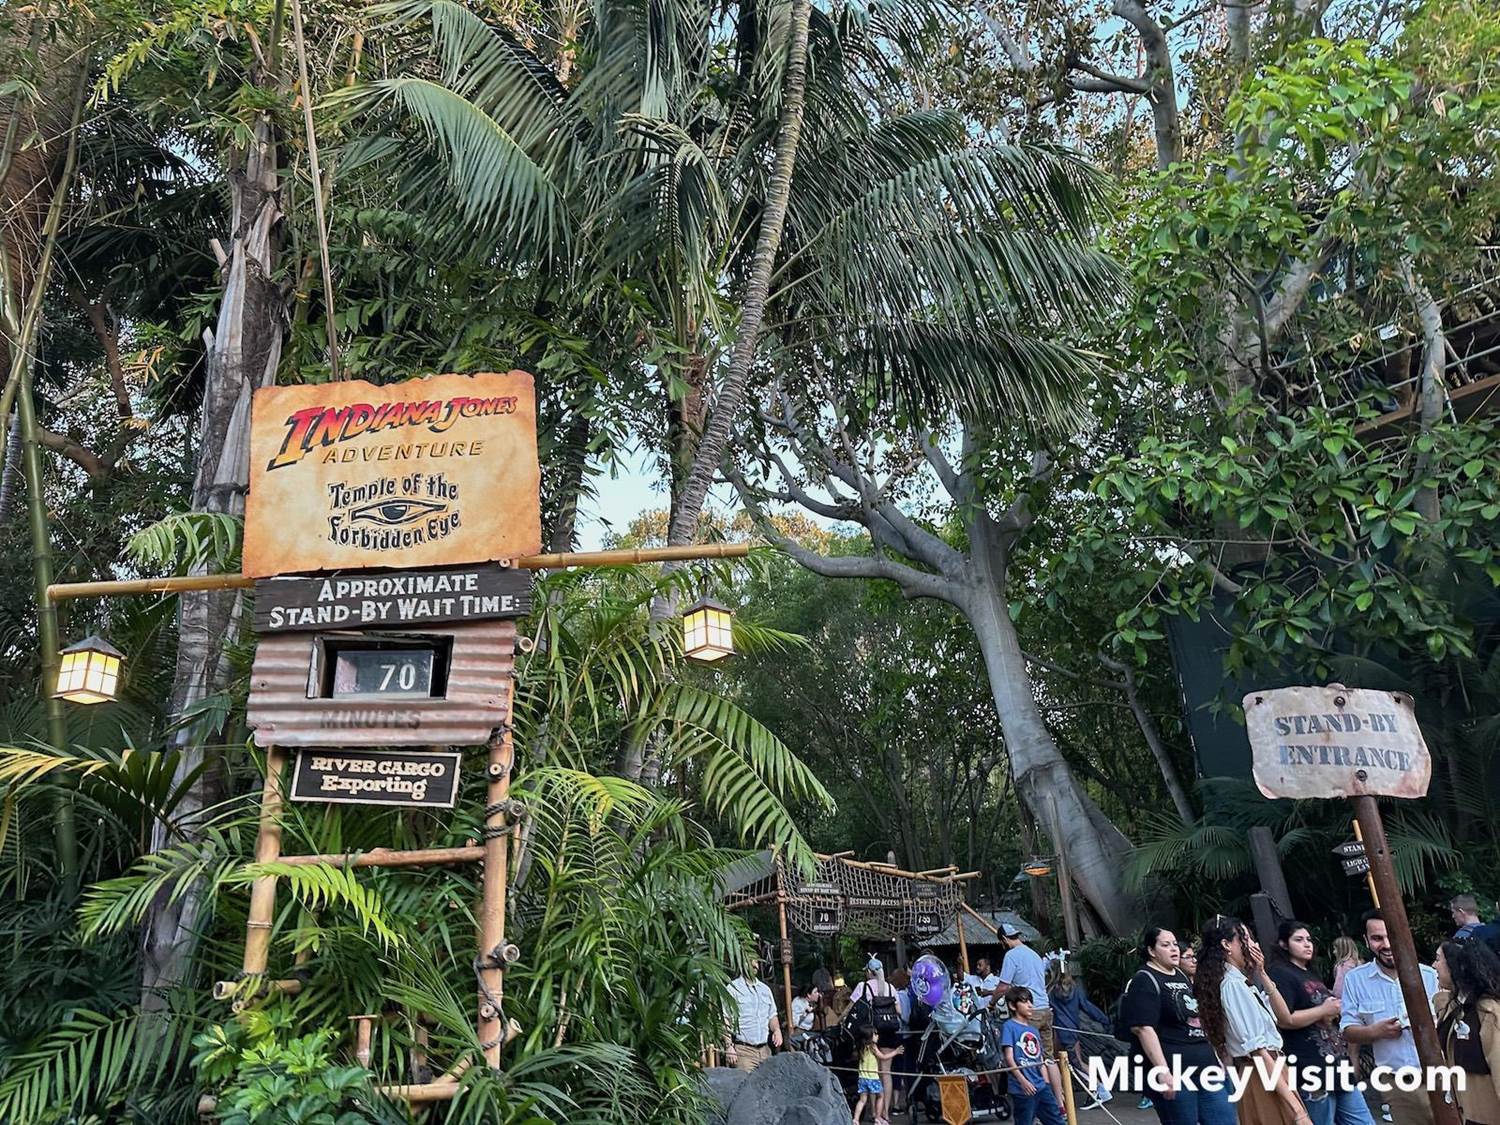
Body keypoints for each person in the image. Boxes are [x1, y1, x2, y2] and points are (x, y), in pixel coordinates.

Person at [1195, 915, 1311, 1125]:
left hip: (1270, 1071)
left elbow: (1282, 1015)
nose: (1253, 945)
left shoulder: (1241, 982)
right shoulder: (1232, 985)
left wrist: (1262, 973)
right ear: (1227, 945)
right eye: (1245, 939)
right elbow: (1258, 1051)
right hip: (1263, 1075)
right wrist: (1297, 1109)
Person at [1120, 926, 1233, 1125]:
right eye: (1165, 945)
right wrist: (1162, 1072)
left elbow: (1197, 1020)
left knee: (1224, 1119)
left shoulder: (1181, 976)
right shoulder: (1145, 979)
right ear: (1151, 950)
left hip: (1206, 1068)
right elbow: (1143, 1029)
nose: (1174, 949)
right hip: (1176, 1071)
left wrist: (1216, 1057)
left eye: (1174, 944)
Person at [1339, 909, 1439, 1125]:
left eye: (1390, 936)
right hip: (1397, 1084)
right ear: (1366, 940)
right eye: (1377, 938)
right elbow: (1347, 1030)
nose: (1386, 944)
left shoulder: (1429, 976)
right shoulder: (1356, 980)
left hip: (1441, 1077)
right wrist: (1375, 1032)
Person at [1268, 921, 1371, 1125]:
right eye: (1299, 940)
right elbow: (1285, 1019)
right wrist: (1323, 1010)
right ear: (1283, 944)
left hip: (1338, 1063)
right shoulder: (1280, 973)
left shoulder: (1310, 972)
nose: (1307, 944)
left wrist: (1332, 1011)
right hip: (1311, 1067)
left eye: (1309, 939)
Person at [1436, 939, 1500, 1125]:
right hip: (1468, 1115)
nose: (1434, 965)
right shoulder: (1457, 1008)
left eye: (1438, 959)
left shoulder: (1489, 1014)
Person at [1003, 986, 1066, 1125]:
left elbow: (1040, 1059)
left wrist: (1046, 1083)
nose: (1030, 1005)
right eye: (1025, 1002)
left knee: (1056, 1120)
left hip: (1041, 1086)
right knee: (1025, 1121)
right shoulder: (1009, 1026)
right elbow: (1009, 1057)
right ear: (1012, 1006)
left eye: (1030, 1001)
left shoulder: (1033, 1030)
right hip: (1022, 1089)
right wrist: (1022, 1081)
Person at [851, 956, 900, 1125]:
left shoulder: (862, 986)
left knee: (872, 1072)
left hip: (871, 1033)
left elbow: (852, 1007)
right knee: (886, 1073)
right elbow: (899, 1011)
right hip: (889, 1033)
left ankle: (874, 1113)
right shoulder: (891, 988)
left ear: (868, 972)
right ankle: (885, 1112)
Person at [1000, 925, 1056, 1056]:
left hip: (1030, 1012)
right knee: (1048, 1056)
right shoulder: (1034, 955)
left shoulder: (1011, 955)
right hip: (1045, 1010)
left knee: (1027, 1055)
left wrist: (991, 1003)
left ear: (1004, 939)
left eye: (1001, 943)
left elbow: (1003, 986)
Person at [1048, 961, 1108, 1074]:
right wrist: (1103, 1019)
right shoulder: (1075, 989)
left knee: (1074, 1064)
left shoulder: (1050, 992)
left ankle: (1098, 1084)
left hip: (1060, 1032)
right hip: (1073, 1031)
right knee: (1074, 1063)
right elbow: (1087, 1006)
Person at [725, 960, 782, 1072]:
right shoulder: (732, 988)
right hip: (743, 1051)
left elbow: (772, 1015)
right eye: (749, 961)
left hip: (765, 1050)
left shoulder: (765, 989)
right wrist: (729, 1046)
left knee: (768, 1082)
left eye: (756, 961)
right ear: (741, 964)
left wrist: (777, 1030)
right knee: (745, 1082)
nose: (754, 964)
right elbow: (725, 1018)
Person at [851, 1027, 902, 1125]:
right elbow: (883, 1057)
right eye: (875, 1034)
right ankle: (878, 1118)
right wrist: (895, 1052)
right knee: (880, 1096)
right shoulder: (873, 1047)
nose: (877, 1036)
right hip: (873, 1078)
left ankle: (856, 1119)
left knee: (862, 1100)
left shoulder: (861, 1047)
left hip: (862, 1078)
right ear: (869, 1036)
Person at [790, 981, 821, 1046]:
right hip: (798, 1033)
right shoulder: (798, 1003)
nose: (818, 994)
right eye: (815, 992)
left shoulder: (810, 1002)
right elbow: (794, 1023)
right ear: (809, 995)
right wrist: (806, 1013)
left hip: (808, 1031)